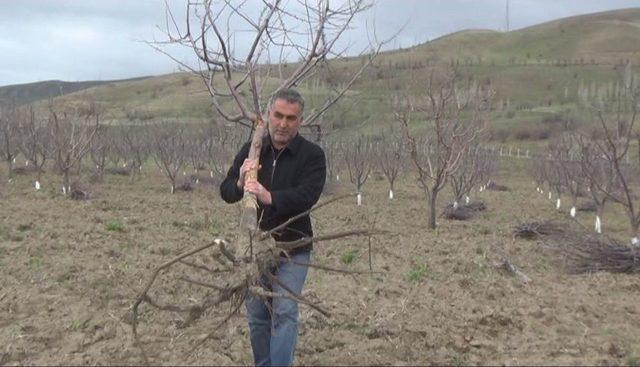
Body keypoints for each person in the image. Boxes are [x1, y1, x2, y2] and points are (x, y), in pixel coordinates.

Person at [219, 88, 326, 366]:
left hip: (293, 248)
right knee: (257, 316)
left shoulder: (312, 155)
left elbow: (308, 195)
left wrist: (270, 197)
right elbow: (226, 191)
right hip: (254, 248)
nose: (283, 123)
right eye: (278, 115)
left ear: (299, 120)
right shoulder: (253, 149)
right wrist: (241, 183)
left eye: (291, 118)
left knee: (285, 311)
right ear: (268, 116)